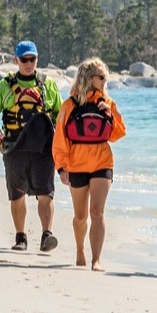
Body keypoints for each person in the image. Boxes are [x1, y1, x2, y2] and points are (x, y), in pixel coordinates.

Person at [0, 40, 62, 252]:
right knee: (17, 194)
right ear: (16, 59)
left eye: (31, 59)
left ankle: (46, 235)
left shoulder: (48, 86)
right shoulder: (5, 86)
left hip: (43, 149)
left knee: (46, 193)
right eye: (24, 59)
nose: (28, 63)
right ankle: (21, 237)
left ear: (37, 59)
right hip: (14, 147)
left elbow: (60, 116)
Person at [51, 58, 126, 271]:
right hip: (76, 164)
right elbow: (60, 139)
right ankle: (79, 249)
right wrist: (61, 168)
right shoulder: (69, 105)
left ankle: (97, 260)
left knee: (97, 212)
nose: (105, 81)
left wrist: (110, 116)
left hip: (103, 161)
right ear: (88, 78)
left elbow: (118, 134)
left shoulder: (108, 103)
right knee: (81, 216)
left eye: (106, 77)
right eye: (100, 77)